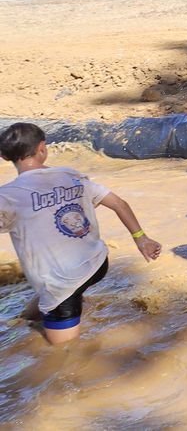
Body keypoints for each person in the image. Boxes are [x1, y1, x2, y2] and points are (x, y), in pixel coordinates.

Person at [1, 122, 163, 344]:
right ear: (42, 148)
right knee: (44, 304)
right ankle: (26, 318)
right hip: (98, 264)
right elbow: (119, 203)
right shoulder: (72, 177)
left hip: (62, 284)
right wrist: (141, 239)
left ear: (4, 157)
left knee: (64, 353)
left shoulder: (7, 196)